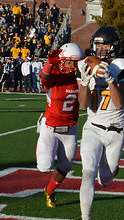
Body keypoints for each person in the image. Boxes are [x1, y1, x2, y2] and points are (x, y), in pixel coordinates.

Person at [77, 26, 124, 220]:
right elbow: (83, 106)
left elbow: (119, 104)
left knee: (106, 180)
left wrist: (111, 79)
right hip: (92, 127)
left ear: (114, 47)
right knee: (87, 172)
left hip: (116, 130)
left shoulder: (123, 65)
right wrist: (84, 82)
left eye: (106, 45)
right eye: (98, 44)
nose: (101, 49)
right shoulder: (85, 64)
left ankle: (112, 168)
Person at [36, 43, 84, 208]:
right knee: (44, 166)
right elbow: (44, 77)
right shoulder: (54, 75)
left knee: (66, 165)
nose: (72, 66)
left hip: (70, 128)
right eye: (69, 62)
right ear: (61, 61)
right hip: (50, 126)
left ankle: (49, 191)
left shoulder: (81, 78)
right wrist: (49, 63)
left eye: (75, 63)